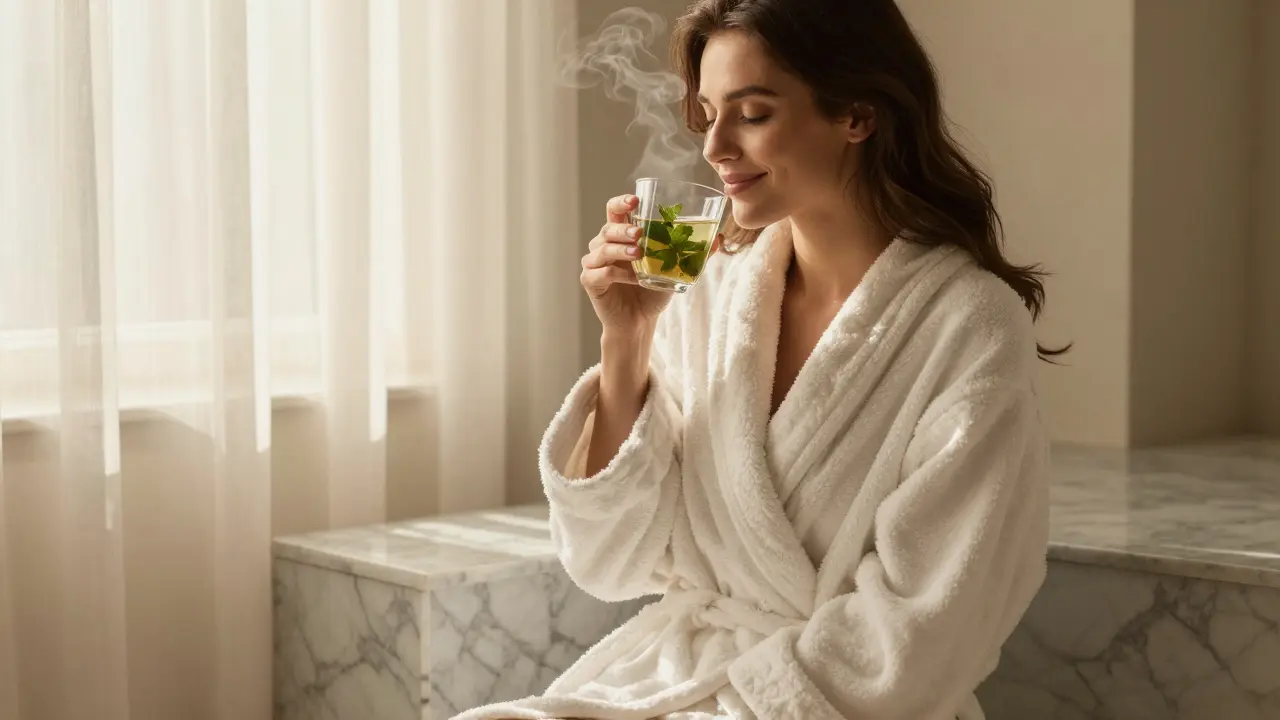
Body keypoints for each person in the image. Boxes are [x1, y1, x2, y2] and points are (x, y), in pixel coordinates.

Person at [457, 0, 1063, 717]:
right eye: (707, 113)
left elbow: (932, 623)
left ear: (856, 116)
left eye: (751, 114)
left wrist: (754, 703)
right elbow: (608, 560)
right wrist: (627, 340)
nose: (714, 148)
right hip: (682, 678)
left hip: (829, 702)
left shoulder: (968, 323)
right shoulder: (711, 289)